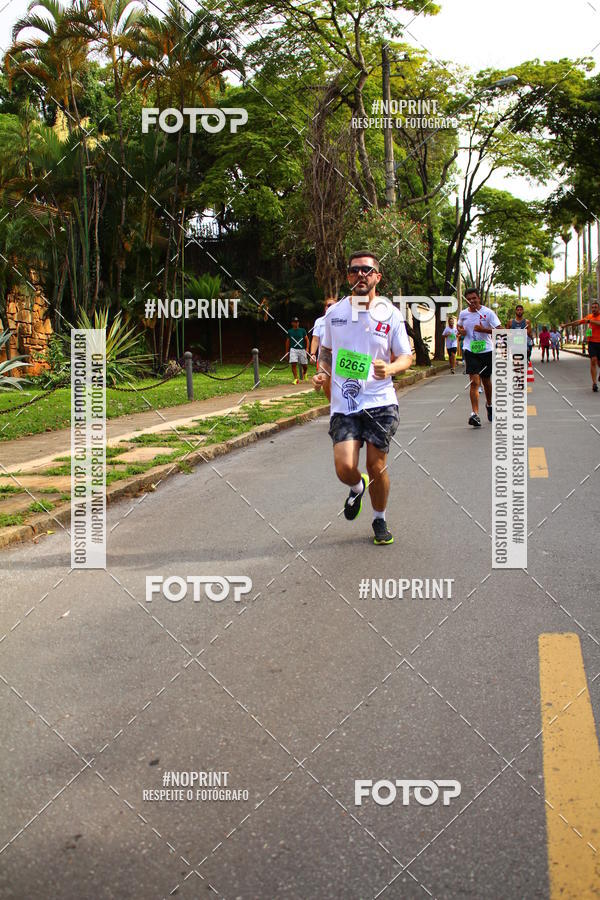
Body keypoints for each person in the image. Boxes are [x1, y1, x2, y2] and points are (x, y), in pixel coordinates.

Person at [313, 251, 412, 545]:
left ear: (377, 277)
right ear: (348, 276)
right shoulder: (335, 314)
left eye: (367, 270)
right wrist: (322, 372)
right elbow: (327, 353)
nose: (361, 275)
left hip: (380, 401)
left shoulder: (391, 314)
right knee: (344, 467)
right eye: (355, 270)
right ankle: (357, 488)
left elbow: (406, 356)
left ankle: (379, 519)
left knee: (375, 464)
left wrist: (390, 367)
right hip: (345, 403)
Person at [457, 286, 501, 427]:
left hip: (486, 350)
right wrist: (461, 331)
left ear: (479, 298)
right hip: (470, 350)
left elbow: (500, 331)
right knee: (475, 382)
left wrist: (484, 330)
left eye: (474, 298)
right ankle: (475, 414)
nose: (472, 301)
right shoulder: (463, 314)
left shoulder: (488, 313)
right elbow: (459, 327)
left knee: (486, 381)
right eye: (469, 299)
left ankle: (489, 404)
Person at [560, 300, 600, 392]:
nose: (593, 309)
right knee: (593, 361)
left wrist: (590, 321)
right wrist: (566, 325)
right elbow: (578, 322)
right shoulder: (589, 316)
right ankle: (594, 383)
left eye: (595, 307)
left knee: (599, 362)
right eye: (592, 307)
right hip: (592, 342)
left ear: (598, 308)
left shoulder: (593, 318)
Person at [310, 298, 337, 367]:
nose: (331, 307)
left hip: (338, 358)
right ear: (325, 308)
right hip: (323, 358)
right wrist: (312, 354)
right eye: (329, 305)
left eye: (334, 305)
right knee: (322, 377)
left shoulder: (342, 321)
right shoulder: (319, 321)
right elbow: (315, 339)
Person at [286, 315, 308, 383]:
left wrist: (307, 348)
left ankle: (305, 372)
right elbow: (287, 341)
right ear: (292, 323)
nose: (296, 323)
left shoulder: (302, 330)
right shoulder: (290, 331)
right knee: (293, 363)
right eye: (295, 322)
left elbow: (307, 340)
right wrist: (287, 351)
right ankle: (296, 378)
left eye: (297, 322)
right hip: (293, 349)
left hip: (302, 349)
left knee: (304, 365)